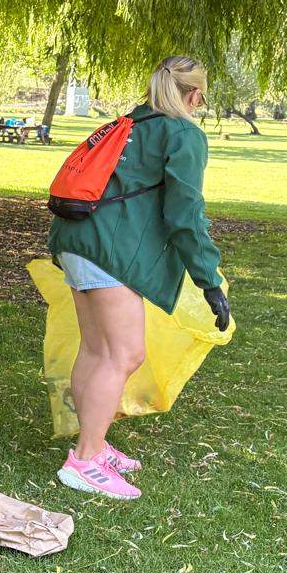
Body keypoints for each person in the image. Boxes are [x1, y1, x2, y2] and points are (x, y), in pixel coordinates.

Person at [46, 55, 230, 500]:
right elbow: (186, 215)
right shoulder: (182, 132)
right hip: (109, 250)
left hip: (75, 238)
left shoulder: (128, 123)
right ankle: (85, 461)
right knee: (124, 355)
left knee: (96, 349)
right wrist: (209, 281)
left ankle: (92, 443)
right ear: (195, 95)